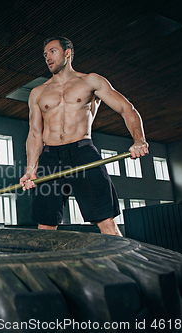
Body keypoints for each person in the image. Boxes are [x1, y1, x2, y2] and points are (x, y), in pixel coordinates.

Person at [20, 36, 149, 236]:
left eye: (52, 51)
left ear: (68, 52)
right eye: (45, 54)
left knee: (106, 222)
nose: (47, 57)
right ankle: (48, 268)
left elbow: (126, 108)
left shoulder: (91, 81)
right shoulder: (38, 93)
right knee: (45, 226)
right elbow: (35, 133)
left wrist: (139, 139)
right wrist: (31, 169)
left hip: (82, 151)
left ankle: (125, 268)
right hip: (50, 156)